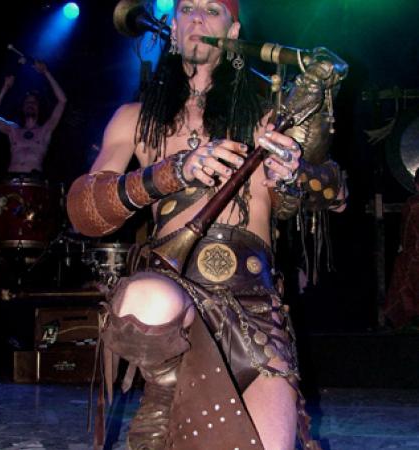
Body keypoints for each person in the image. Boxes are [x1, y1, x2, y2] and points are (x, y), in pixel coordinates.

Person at [67, 1, 346, 448]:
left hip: (253, 306)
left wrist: (294, 176)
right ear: (173, 27)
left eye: (212, 9)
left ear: (232, 32)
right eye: (187, 8)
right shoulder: (135, 118)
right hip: (174, 290)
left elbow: (337, 193)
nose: (198, 17)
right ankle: (164, 389)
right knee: (145, 297)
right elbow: (84, 212)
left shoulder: (269, 115)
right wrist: (172, 171)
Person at [0, 60, 67, 175]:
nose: (30, 104)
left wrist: (46, 72)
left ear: (38, 108)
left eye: (33, 103)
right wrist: (5, 88)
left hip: (34, 180)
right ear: (23, 108)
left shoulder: (45, 130)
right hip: (11, 179)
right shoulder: (13, 130)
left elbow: (62, 101)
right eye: (27, 103)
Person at [384, 167, 419, 328]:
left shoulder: (413, 204)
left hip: (415, 255)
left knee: (404, 280)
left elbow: (406, 231)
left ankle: (408, 318)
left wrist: (404, 248)